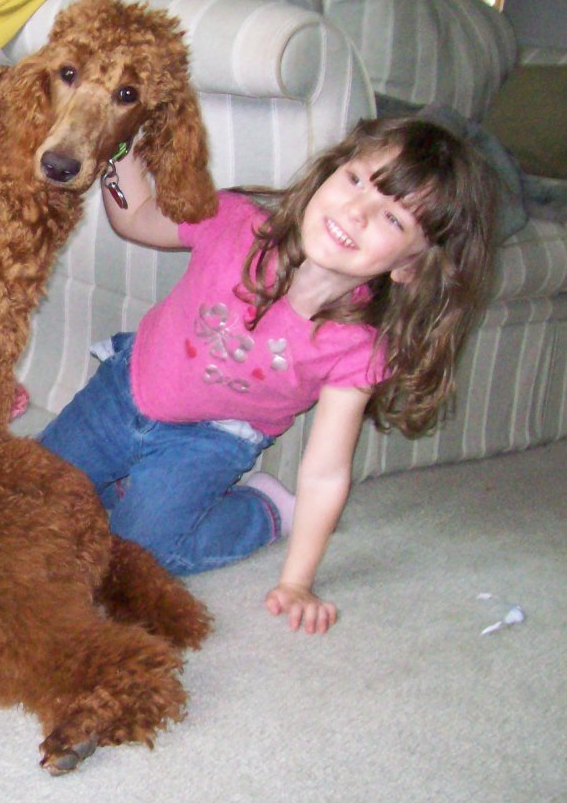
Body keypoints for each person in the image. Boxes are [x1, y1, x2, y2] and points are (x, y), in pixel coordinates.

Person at [38, 117, 498, 634]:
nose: (357, 211)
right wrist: (115, 141)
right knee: (26, 493)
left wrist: (297, 581)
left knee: (136, 549)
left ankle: (264, 510)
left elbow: (326, 469)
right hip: (125, 387)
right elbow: (138, 217)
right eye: (355, 180)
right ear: (330, 171)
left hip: (211, 440)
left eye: (392, 218)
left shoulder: (357, 347)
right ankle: (121, 486)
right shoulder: (234, 221)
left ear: (411, 266)